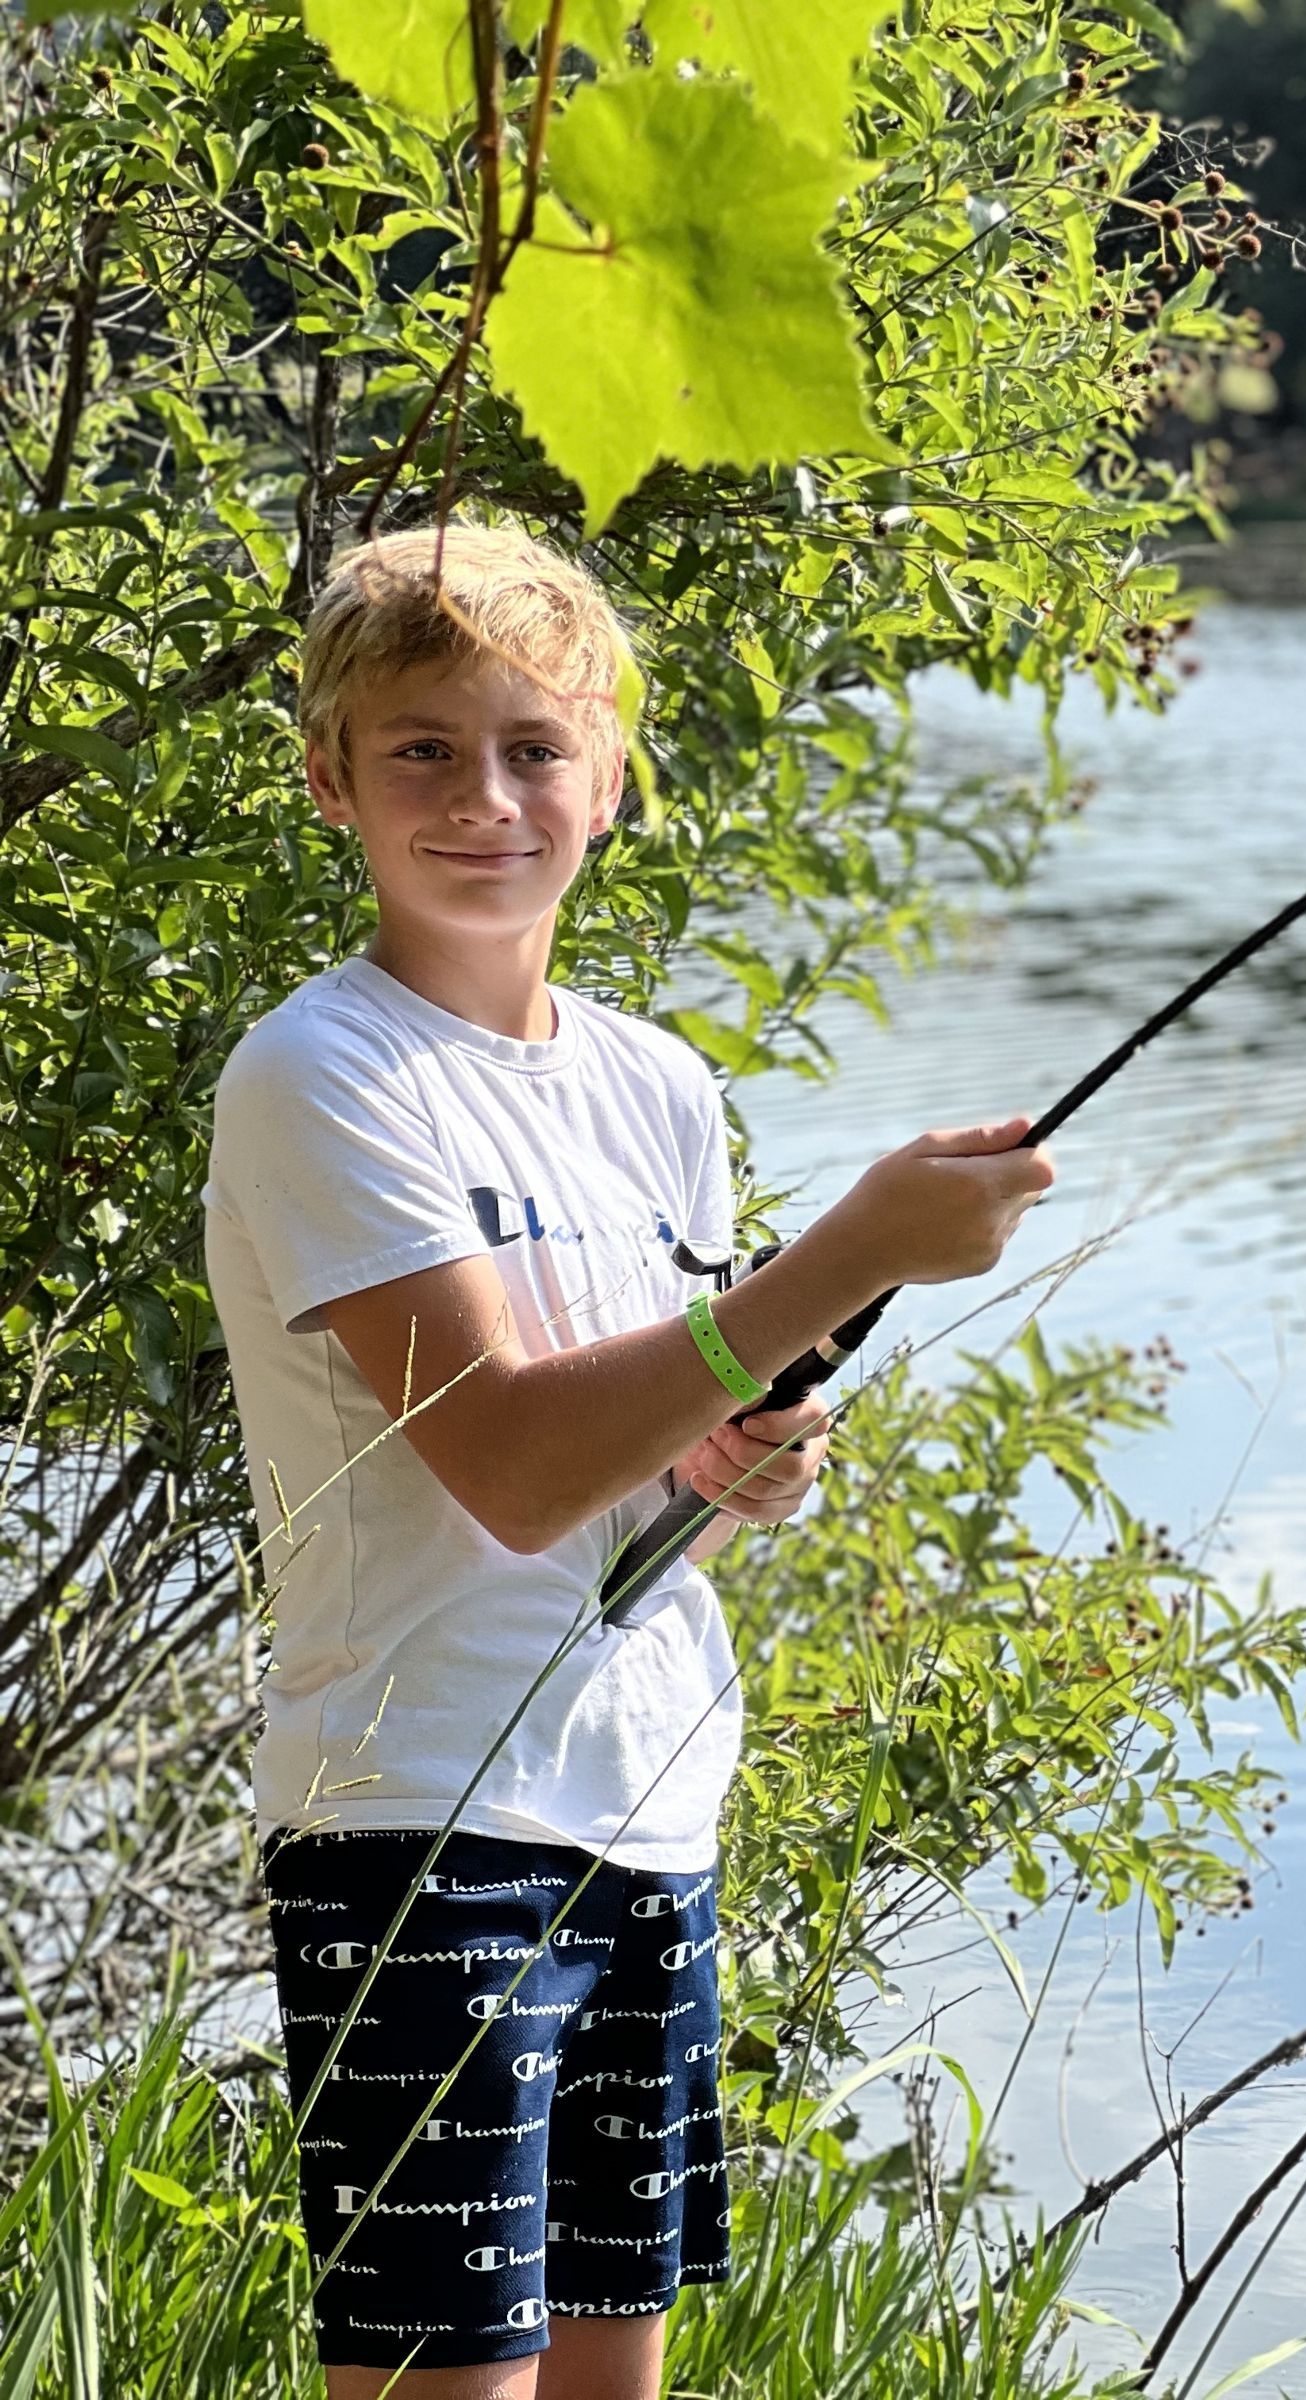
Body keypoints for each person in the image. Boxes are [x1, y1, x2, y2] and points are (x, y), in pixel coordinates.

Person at [202, 524, 1056, 2398]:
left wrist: (743, 1463)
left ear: (608, 774)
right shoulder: (323, 1072)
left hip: (649, 1816)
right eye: (422, 749)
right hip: (422, 1823)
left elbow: (646, 1446)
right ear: (330, 774)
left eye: (533, 748)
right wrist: (845, 1257)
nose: (485, 797)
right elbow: (507, 1465)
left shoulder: (658, 1085)